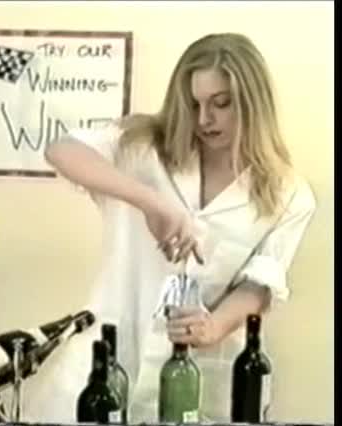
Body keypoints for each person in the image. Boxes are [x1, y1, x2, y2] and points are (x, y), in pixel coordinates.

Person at [25, 33, 316, 422]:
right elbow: (61, 150)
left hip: (199, 376)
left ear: (252, 102)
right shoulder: (142, 147)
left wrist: (213, 327)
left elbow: (260, 286)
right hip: (104, 362)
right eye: (194, 104)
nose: (204, 119)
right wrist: (151, 202)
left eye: (221, 104)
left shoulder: (287, 193)